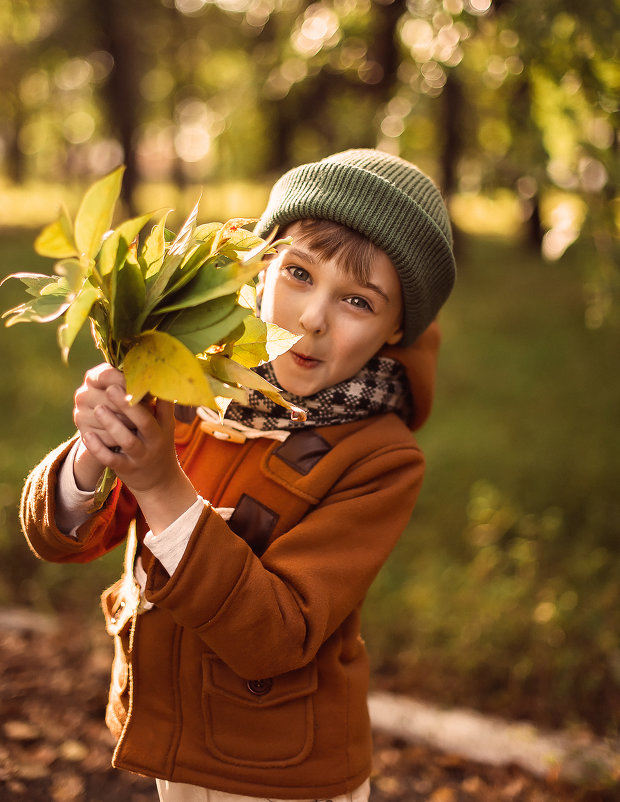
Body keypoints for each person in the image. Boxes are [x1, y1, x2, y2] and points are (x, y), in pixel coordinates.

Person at [20, 149, 456, 802]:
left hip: (284, 771)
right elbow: (59, 540)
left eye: (358, 301)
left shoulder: (377, 457)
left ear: (398, 328)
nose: (312, 317)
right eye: (299, 273)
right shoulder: (191, 381)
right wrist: (94, 453)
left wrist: (164, 487)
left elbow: (276, 636)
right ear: (260, 264)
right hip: (177, 737)